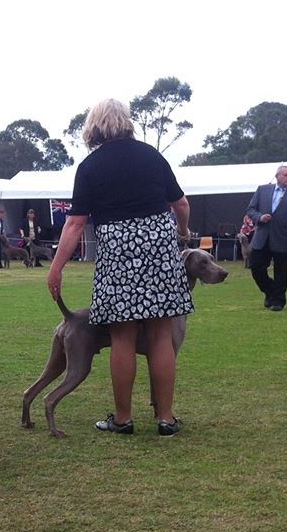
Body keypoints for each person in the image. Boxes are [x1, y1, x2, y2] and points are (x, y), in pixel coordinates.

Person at [46, 98, 192, 438]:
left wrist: (56, 268)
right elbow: (181, 204)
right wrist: (182, 232)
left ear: (94, 127)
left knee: (122, 336)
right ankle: (166, 419)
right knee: (161, 335)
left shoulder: (90, 166)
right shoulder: (152, 156)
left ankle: (123, 419)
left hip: (117, 251)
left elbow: (75, 224)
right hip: (160, 247)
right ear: (126, 122)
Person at [245, 165, 287, 311]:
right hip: (262, 238)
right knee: (256, 267)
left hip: (283, 238)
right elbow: (250, 210)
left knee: (281, 272)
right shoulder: (262, 190)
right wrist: (260, 217)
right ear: (277, 176)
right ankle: (270, 291)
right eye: (286, 175)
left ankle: (278, 301)